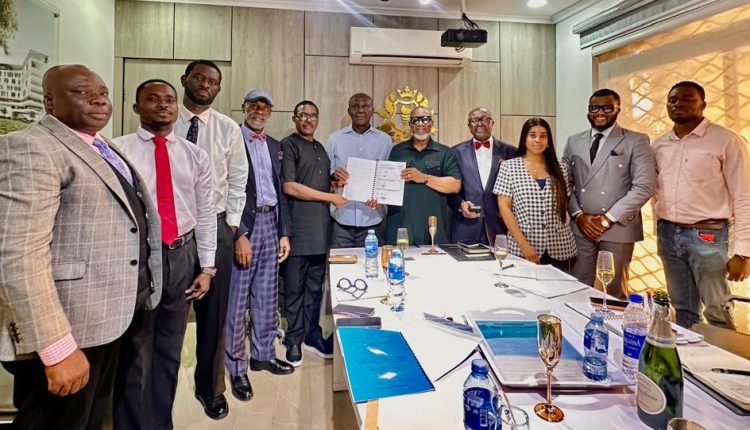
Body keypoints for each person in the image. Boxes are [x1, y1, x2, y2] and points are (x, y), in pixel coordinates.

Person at [0, 65, 162, 430]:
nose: (98, 100)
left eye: (102, 93)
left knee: (90, 419)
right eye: (81, 92)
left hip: (106, 319)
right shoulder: (31, 147)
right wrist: (56, 347)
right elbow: (18, 256)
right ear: (49, 102)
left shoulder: (99, 145)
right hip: (69, 329)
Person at [112, 79, 216, 429]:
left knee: (170, 348)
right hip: (139, 257)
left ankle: (160, 422)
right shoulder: (117, 152)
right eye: (153, 99)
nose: (163, 105)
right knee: (135, 350)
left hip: (181, 255)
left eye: (169, 100)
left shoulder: (195, 155)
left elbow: (205, 213)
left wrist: (208, 267)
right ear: (136, 106)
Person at [172, 60, 248, 420]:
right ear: (185, 80)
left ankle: (210, 387)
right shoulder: (166, 120)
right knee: (166, 313)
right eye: (199, 78)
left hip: (216, 225)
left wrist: (231, 224)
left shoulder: (228, 128)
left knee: (214, 315)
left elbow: (238, 178)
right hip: (172, 228)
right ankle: (158, 388)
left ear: (218, 88)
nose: (205, 84)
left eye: (212, 81)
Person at [653, 81, 750, 328]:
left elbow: (744, 196)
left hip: (708, 235)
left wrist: (743, 253)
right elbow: (656, 192)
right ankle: (689, 352)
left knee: (717, 308)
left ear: (703, 104)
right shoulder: (660, 144)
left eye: (688, 99)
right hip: (668, 234)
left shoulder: (726, 140)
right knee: (682, 306)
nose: (679, 104)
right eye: (673, 100)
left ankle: (724, 354)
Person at [226, 89, 294, 403]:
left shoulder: (275, 146)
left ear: (270, 113)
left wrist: (284, 233)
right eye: (253, 106)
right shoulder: (231, 140)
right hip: (244, 226)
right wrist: (238, 232)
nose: (259, 111)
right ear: (244, 108)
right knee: (237, 300)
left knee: (267, 296)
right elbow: (224, 187)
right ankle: (236, 367)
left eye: (264, 107)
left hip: (271, 222)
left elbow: (281, 192)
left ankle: (263, 354)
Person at [562, 89, 656, 299]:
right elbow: (564, 183)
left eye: (606, 108)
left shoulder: (635, 140)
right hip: (582, 227)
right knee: (577, 288)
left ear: (618, 110)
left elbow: (644, 186)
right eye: (594, 108)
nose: (599, 113)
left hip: (617, 227)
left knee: (613, 293)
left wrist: (607, 219)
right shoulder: (573, 141)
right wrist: (578, 215)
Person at [281, 101, 348, 366]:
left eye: (312, 116)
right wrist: (330, 196)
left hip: (321, 231)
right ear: (294, 118)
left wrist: (335, 183)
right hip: (297, 231)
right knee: (294, 289)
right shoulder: (289, 145)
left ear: (318, 119)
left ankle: (311, 334)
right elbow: (290, 187)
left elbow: (317, 183)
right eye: (303, 115)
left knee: (315, 288)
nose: (308, 120)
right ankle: (293, 339)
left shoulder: (320, 148)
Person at [493, 117, 577, 271]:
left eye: (543, 136)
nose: (538, 140)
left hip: (560, 246)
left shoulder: (561, 169)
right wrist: (524, 244)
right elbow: (504, 207)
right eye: (532, 135)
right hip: (522, 246)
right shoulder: (509, 167)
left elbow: (565, 203)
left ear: (548, 141)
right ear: (524, 140)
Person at [385, 106, 462, 245]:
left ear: (431, 123)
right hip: (400, 223)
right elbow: (386, 183)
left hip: (432, 224)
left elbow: (455, 185)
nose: (420, 123)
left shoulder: (445, 152)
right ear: (410, 125)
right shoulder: (397, 151)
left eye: (425, 119)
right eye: (415, 120)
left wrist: (424, 178)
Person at [327, 93, 392, 247]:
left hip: (373, 218)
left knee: (372, 262)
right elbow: (326, 172)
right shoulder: (335, 139)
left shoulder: (385, 140)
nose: (360, 110)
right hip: (341, 218)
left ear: (372, 111)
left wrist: (382, 196)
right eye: (355, 106)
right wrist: (334, 176)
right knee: (340, 263)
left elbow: (389, 177)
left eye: (365, 106)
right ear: (349, 111)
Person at [448, 107, 516, 245]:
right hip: (465, 226)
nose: (479, 123)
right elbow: (450, 190)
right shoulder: (455, 152)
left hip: (501, 227)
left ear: (492, 123)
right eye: (474, 120)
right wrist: (460, 205)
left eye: (484, 119)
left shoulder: (511, 152)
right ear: (469, 125)